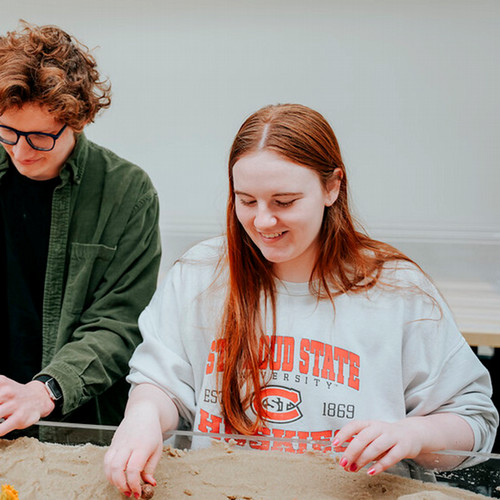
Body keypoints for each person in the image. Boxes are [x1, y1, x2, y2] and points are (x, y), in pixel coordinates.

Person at [104, 104, 497, 498]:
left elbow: (474, 422)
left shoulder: (398, 292)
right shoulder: (199, 276)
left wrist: (415, 434)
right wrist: (143, 415)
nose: (262, 222)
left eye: (284, 201)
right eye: (246, 200)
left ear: (332, 187)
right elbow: (163, 386)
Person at [0, 21, 161, 435]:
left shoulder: (128, 192)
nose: (21, 150)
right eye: (7, 132)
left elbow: (119, 321)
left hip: (78, 427)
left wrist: (46, 390)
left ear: (78, 118)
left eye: (39, 137)